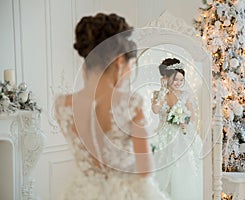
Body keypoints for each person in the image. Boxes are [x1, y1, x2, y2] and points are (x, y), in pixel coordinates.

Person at [54, 13, 169, 200]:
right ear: (120, 62)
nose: (130, 73)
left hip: (81, 193)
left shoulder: (62, 105)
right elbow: (145, 169)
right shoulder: (131, 104)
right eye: (131, 66)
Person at [151, 58, 203, 200]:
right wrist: (162, 90)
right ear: (166, 78)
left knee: (182, 169)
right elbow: (155, 110)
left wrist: (184, 119)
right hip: (163, 135)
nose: (179, 83)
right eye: (175, 80)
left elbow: (192, 116)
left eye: (181, 80)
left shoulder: (185, 95)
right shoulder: (158, 94)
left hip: (182, 134)